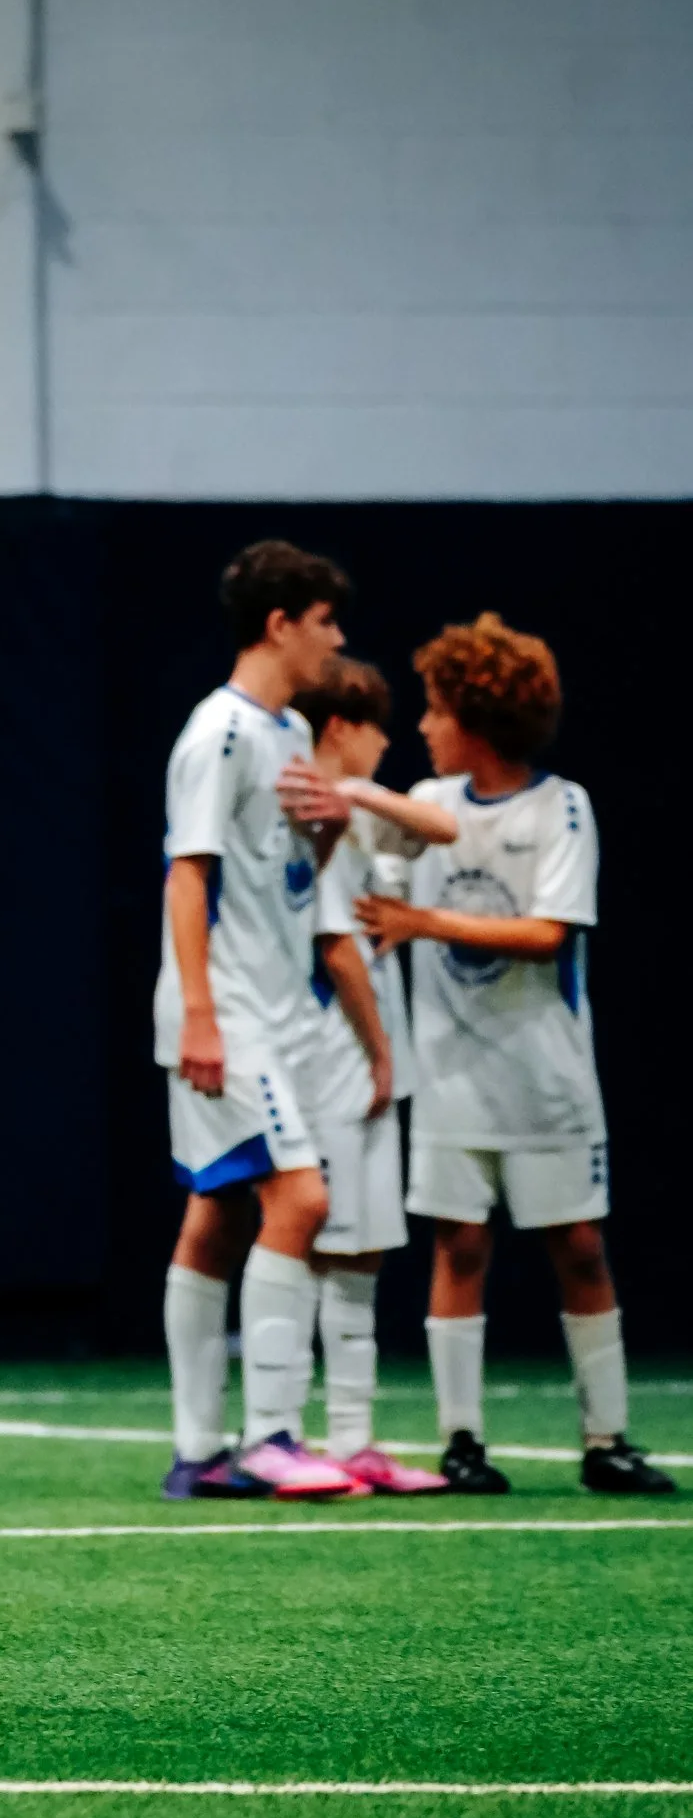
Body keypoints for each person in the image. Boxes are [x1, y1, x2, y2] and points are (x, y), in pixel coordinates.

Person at [355, 614, 675, 1497]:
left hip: (544, 1078)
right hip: (452, 1075)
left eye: (434, 708)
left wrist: (423, 923)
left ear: (477, 714)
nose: (422, 726)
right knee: (457, 1248)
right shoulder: (432, 805)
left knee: (577, 1245)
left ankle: (605, 1436)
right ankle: (461, 1440)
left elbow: (545, 931)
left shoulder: (558, 806)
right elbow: (366, 837)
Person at [157, 539, 358, 1501]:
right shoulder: (221, 732)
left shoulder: (287, 734)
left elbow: (282, 879)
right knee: (302, 1202)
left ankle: (197, 1451)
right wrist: (200, 1014)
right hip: (225, 1010)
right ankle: (272, 1432)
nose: (337, 639)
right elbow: (186, 874)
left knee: (217, 1210)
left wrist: (327, 831)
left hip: (274, 1016)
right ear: (281, 623)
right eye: (325, 621)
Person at [279, 659, 455, 1495]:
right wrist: (382, 1049)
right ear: (344, 726)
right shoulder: (308, 817)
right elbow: (333, 942)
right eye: (378, 727)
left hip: (354, 1053)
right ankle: (300, 1432)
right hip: (335, 1051)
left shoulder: (348, 809)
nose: (389, 742)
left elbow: (436, 827)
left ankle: (349, 1435)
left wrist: (360, 794)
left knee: (363, 1246)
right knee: (333, 1240)